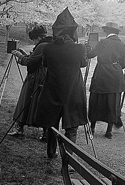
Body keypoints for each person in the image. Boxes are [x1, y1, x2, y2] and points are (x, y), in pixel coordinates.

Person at [33, 8, 88, 159]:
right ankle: (68, 157)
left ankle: (51, 152)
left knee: (51, 123)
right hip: (73, 91)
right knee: (72, 126)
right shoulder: (79, 48)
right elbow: (83, 64)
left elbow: (44, 64)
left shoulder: (48, 48)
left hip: (52, 90)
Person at [8, 25, 53, 140]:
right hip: (45, 76)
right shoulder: (49, 43)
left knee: (25, 100)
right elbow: (35, 59)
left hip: (36, 77)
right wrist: (24, 53)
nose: (33, 42)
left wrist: (19, 55)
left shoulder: (42, 45)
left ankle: (19, 128)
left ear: (38, 37)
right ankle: (46, 132)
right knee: (41, 103)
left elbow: (30, 62)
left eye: (34, 39)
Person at [86, 22, 125, 139]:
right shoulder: (122, 45)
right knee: (113, 101)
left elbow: (90, 55)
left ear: (106, 31)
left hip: (102, 73)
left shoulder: (102, 42)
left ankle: (92, 128)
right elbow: (123, 65)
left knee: (96, 99)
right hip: (116, 75)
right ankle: (109, 131)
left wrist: (87, 47)